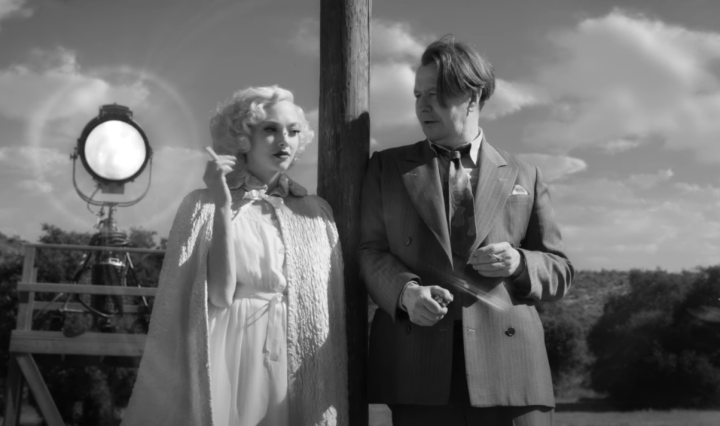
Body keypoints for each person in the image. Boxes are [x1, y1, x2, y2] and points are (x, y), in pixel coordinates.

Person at [357, 37, 574, 425]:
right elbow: (369, 251)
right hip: (419, 368)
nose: (423, 106)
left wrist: (519, 262)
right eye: (418, 94)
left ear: (472, 97)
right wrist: (406, 293)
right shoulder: (386, 168)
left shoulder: (525, 174)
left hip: (513, 371)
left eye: (436, 94)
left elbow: (560, 270)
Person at [122, 86, 348, 426]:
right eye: (270, 129)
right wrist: (223, 204)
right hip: (232, 352)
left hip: (295, 355)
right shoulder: (202, 204)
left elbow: (325, 305)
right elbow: (219, 295)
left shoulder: (316, 211)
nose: (284, 140)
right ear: (243, 137)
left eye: (293, 131)